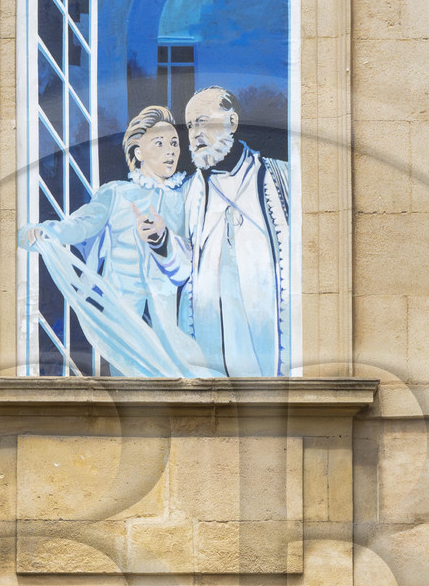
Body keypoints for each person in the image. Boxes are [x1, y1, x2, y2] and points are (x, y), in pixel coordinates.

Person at [140, 88, 290, 377]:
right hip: (211, 346)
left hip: (272, 340)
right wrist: (162, 241)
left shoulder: (280, 178)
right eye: (191, 125)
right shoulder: (188, 194)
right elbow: (183, 271)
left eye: (203, 122)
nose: (195, 133)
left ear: (231, 123)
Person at [19, 103, 190, 322]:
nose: (170, 151)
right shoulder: (116, 192)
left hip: (169, 318)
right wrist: (47, 231)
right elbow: (82, 226)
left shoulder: (184, 198)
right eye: (159, 143)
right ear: (138, 152)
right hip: (121, 312)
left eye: (174, 143)